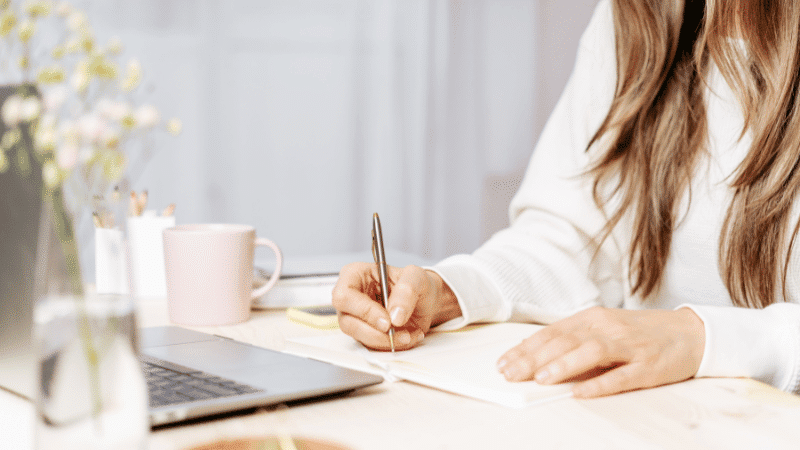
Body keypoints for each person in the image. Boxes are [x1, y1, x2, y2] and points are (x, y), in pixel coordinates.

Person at [332, 0, 800, 398]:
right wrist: (450, 293)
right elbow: (568, 241)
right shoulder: (638, 18)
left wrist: (701, 339)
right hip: (654, 419)